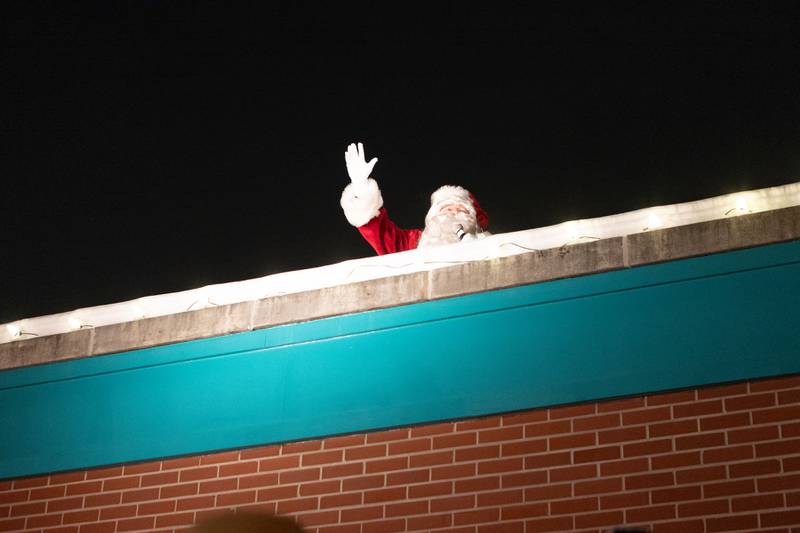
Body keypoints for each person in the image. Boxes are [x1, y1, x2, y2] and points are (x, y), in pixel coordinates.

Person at [340, 142, 490, 255]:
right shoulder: (415, 244)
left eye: (461, 210)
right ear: (434, 216)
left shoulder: (492, 243)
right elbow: (380, 233)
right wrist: (361, 188)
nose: (454, 213)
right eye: (447, 209)